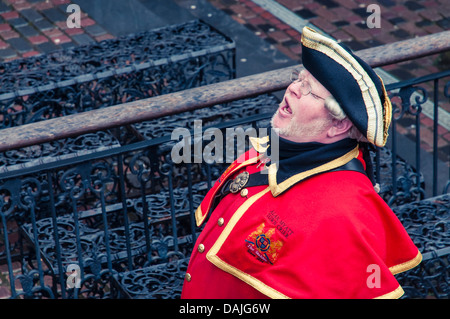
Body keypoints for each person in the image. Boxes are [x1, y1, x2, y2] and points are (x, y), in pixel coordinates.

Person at [180, 26, 421, 299]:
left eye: (310, 91)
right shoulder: (276, 148)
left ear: (338, 125)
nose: (293, 88)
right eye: (298, 79)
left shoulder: (345, 213)